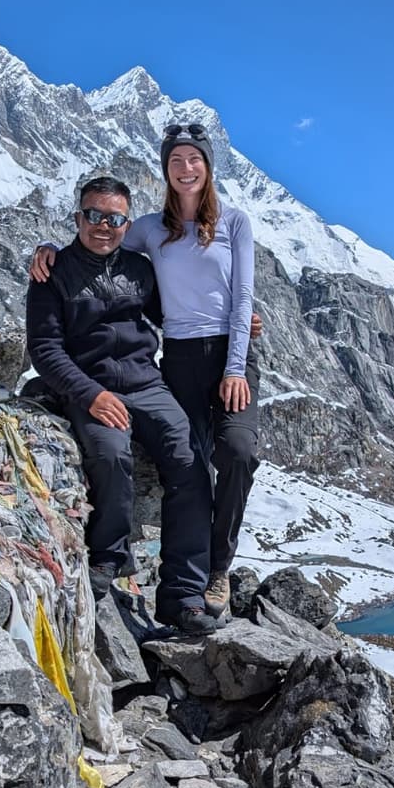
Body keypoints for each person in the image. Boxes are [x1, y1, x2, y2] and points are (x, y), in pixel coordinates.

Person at [31, 123, 259, 619]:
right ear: (77, 218)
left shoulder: (138, 265)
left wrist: (241, 328)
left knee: (192, 466)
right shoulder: (53, 275)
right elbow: (44, 348)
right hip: (93, 387)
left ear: (125, 224)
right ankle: (109, 562)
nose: (104, 226)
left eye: (114, 219)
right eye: (93, 216)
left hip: (149, 383)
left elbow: (174, 309)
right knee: (112, 456)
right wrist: (88, 395)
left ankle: (182, 596)